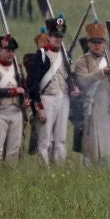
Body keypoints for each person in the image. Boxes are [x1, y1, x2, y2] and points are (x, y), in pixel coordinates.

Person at [74, 22, 110, 163]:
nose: (97, 45)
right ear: (88, 43)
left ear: (104, 43)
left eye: (100, 42)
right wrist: (102, 73)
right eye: (94, 42)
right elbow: (83, 81)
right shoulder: (82, 62)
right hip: (93, 107)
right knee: (93, 145)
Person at [28, 17, 78, 166]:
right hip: (47, 98)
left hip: (64, 98)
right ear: (48, 37)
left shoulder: (66, 55)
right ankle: (45, 168)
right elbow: (33, 83)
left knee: (60, 137)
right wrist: (39, 107)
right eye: (55, 36)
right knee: (45, 139)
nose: (58, 39)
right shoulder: (41, 55)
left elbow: (69, 76)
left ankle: (59, 165)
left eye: (60, 36)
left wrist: (73, 87)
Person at [0, 35, 28, 162]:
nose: (11, 53)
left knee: (14, 148)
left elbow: (24, 87)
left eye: (12, 51)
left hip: (17, 111)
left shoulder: (18, 68)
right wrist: (14, 91)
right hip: (0, 112)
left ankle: (11, 173)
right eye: (7, 50)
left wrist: (27, 99)